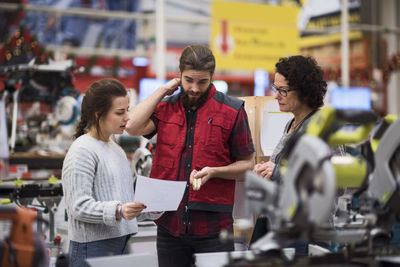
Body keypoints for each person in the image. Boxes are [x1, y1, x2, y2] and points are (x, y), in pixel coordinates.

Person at [126, 44, 255, 267]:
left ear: (212, 77)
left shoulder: (232, 111)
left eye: (202, 81)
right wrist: (164, 90)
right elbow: (132, 126)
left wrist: (215, 171)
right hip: (170, 226)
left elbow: (248, 164)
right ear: (179, 75)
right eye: (188, 80)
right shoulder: (166, 108)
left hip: (214, 228)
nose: (194, 88)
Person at [62, 78, 160, 267]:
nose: (127, 118)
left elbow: (124, 206)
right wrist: (117, 210)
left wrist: (149, 209)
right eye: (119, 112)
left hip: (121, 243)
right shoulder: (82, 150)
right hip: (92, 247)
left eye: (127, 110)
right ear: (99, 114)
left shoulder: (116, 149)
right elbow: (78, 206)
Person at [250, 55, 327, 250]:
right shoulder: (291, 124)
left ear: (304, 92)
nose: (276, 95)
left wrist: (278, 172)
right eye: (276, 88)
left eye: (283, 90)